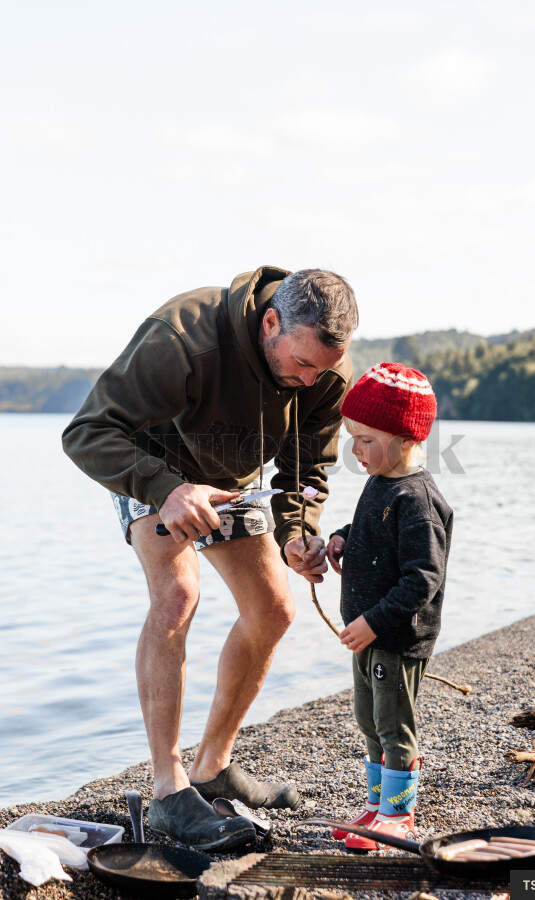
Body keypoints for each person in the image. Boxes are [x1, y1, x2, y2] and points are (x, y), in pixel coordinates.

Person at [62, 266, 358, 850]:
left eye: (322, 369)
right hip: (149, 468)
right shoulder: (183, 336)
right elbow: (88, 431)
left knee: (275, 610)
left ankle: (212, 768)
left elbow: (306, 470)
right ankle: (170, 789)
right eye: (301, 363)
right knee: (178, 595)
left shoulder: (325, 369)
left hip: (231, 479)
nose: (309, 380)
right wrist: (167, 489)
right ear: (270, 322)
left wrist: (299, 533)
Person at [325, 363, 453, 850]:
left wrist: (374, 623)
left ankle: (399, 817)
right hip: (368, 632)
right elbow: (376, 535)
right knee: (368, 720)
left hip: (395, 636)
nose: (354, 450)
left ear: (404, 438)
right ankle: (377, 806)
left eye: (364, 439)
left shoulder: (419, 500)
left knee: (394, 725)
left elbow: (423, 577)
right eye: (351, 438)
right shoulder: (381, 481)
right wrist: (343, 537)